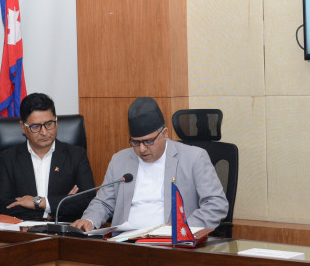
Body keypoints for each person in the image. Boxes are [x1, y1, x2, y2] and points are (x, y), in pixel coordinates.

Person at [71, 97, 228, 232]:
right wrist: (89, 220)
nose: (141, 149)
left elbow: (216, 204)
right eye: (135, 142)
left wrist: (181, 228)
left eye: (148, 141)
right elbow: (103, 202)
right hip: (124, 242)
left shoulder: (194, 158)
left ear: (165, 134)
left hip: (171, 243)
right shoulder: (119, 160)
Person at [0, 93, 96, 222]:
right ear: (23, 127)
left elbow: (88, 200)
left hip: (65, 231)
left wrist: (40, 202)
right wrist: (50, 214)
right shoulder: (8, 159)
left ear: (56, 121)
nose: (44, 132)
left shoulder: (76, 155)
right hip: (23, 230)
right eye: (35, 127)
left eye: (49, 124)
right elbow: (1, 207)